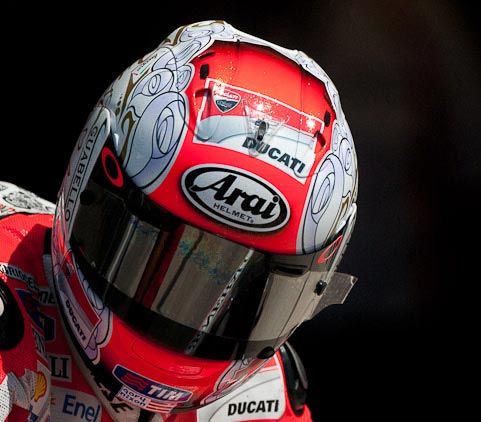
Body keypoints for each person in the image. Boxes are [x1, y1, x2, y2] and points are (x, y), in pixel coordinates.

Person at [0, 19, 358, 421]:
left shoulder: (263, 398)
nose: (193, 322)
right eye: (147, 256)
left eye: (245, 294)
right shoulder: (9, 292)